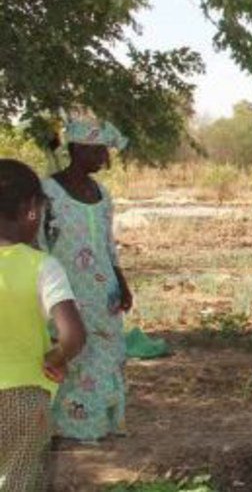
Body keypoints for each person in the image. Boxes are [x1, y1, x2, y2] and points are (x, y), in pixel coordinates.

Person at [40, 112, 133, 442]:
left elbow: (108, 244)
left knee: (107, 355)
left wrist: (121, 283)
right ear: (78, 149)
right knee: (73, 354)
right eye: (99, 150)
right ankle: (69, 428)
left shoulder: (102, 194)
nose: (105, 159)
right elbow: (38, 245)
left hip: (103, 294)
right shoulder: (47, 192)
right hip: (65, 293)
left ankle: (102, 424)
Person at [0, 159, 86, 491]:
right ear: (29, 209)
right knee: (21, 480)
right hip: (24, 396)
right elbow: (73, 335)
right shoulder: (42, 266)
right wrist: (56, 357)